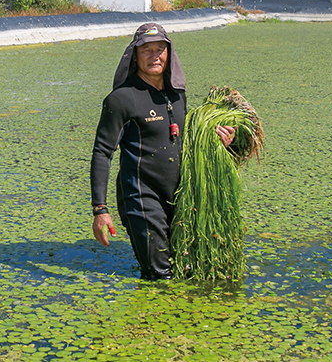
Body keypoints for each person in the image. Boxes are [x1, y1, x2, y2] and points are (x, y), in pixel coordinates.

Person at [89, 23, 234, 280]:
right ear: (134, 55)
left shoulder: (177, 94)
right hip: (140, 196)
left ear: (169, 54)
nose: (154, 55)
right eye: (146, 49)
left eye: (160, 49)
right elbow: (102, 152)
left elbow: (184, 141)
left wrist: (216, 140)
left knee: (185, 269)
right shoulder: (121, 99)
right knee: (160, 275)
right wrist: (100, 210)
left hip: (179, 195)